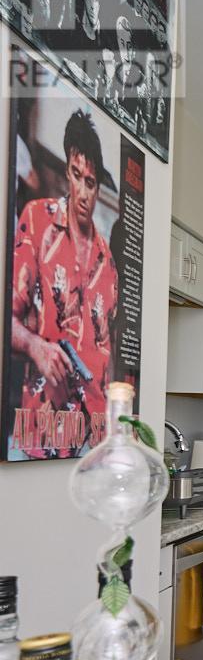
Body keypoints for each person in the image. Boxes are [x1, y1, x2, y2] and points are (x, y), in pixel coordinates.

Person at [8, 108, 119, 458]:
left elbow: (110, 356)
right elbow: (5, 319)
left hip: (93, 445)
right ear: (68, 171)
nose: (83, 193)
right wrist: (35, 346)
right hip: (40, 437)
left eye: (91, 182)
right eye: (76, 175)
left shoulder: (108, 263)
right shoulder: (37, 222)